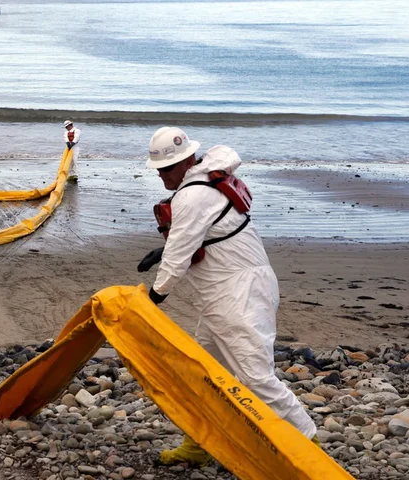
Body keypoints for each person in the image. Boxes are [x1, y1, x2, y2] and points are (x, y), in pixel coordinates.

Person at [138, 127, 318, 467]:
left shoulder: (191, 196)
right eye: (159, 169)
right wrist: (162, 252)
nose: (162, 175)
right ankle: (199, 443)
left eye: (167, 168)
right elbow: (201, 237)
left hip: (239, 296)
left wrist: (153, 299)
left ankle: (311, 449)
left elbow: (179, 256)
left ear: (187, 160)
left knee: (256, 379)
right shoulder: (204, 183)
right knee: (204, 372)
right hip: (230, 293)